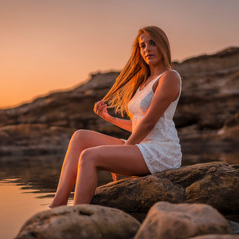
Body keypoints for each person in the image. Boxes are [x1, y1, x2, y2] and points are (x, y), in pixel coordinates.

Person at [49, 26, 182, 208]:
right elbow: (139, 124)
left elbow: (150, 122)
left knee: (89, 156)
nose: (147, 49)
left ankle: (78, 215)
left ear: (163, 45)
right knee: (80, 136)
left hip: (161, 151)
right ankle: (58, 203)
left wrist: (125, 149)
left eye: (152, 43)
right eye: (142, 46)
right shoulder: (144, 82)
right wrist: (108, 117)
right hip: (142, 145)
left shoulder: (170, 77)